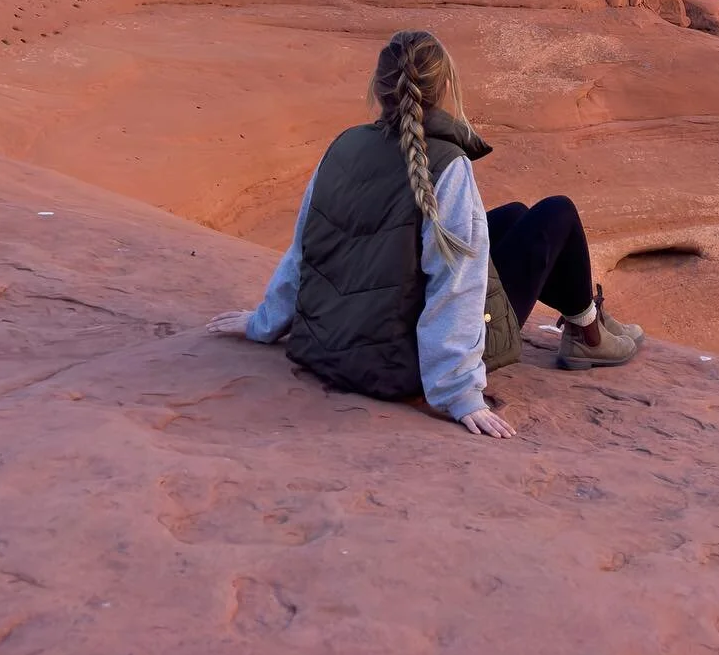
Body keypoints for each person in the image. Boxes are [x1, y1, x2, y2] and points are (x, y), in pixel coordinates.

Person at [207, 28, 641, 439]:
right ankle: (589, 331)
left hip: (331, 341)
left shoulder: (343, 146)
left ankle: (588, 321)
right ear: (443, 90)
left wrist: (265, 324)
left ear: (378, 89)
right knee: (555, 213)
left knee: (512, 216)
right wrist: (458, 394)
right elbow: (457, 283)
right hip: (399, 363)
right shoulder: (447, 164)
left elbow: (306, 249)